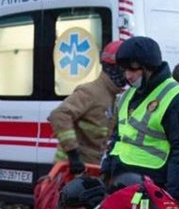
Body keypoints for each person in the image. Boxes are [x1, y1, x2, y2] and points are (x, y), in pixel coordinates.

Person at [102, 36, 179, 199]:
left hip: (152, 186)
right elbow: (118, 137)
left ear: (149, 67)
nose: (128, 76)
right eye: (125, 70)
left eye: (133, 69)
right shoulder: (127, 95)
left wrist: (171, 195)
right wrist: (106, 169)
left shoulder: (176, 97)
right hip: (120, 182)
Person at [50, 40, 125, 175]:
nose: (128, 75)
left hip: (90, 170)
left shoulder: (114, 96)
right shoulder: (91, 92)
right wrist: (73, 155)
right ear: (115, 68)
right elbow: (60, 115)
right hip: (70, 172)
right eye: (126, 69)